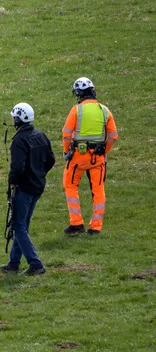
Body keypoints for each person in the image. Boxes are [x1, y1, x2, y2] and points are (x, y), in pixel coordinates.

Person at [0, 103, 55, 275]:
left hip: (24, 187)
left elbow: (17, 167)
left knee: (18, 225)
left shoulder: (19, 140)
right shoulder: (40, 135)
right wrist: (39, 173)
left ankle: (35, 263)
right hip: (37, 186)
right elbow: (51, 159)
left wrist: (12, 181)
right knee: (22, 224)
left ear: (18, 118)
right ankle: (14, 262)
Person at [61, 77, 118, 235]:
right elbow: (113, 136)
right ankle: (96, 226)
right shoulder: (104, 111)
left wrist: (67, 151)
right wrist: (104, 151)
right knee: (98, 190)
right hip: (98, 159)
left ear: (79, 94)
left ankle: (77, 223)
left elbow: (66, 133)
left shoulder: (77, 110)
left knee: (70, 186)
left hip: (78, 158)